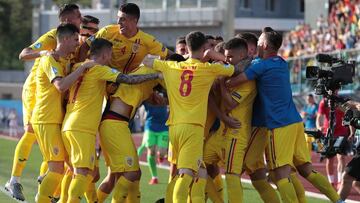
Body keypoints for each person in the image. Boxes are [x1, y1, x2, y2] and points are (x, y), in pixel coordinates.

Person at [226, 27, 343, 203]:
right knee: (305, 169)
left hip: (278, 125)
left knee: (279, 173)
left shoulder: (260, 65)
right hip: (296, 122)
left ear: (264, 45)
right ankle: (337, 200)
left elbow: (235, 82)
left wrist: (220, 80)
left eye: (258, 44)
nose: (256, 47)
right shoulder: (281, 62)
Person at [143, 31, 242, 203]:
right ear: (204, 47)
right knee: (186, 175)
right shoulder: (208, 69)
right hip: (193, 129)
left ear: (187, 47)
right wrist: (213, 55)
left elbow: (146, 60)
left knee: (200, 173)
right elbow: (234, 69)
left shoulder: (171, 66)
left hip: (174, 128)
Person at [60, 38, 161, 203]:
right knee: (82, 173)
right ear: (106, 54)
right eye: (111, 54)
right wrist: (155, 75)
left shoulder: (78, 67)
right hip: (82, 126)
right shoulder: (99, 68)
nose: (111, 58)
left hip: (69, 124)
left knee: (86, 173)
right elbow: (128, 80)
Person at [5, 4, 82, 201]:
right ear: (65, 20)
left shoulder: (76, 40)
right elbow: (24, 54)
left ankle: (47, 184)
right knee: (32, 131)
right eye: (77, 17)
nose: (80, 20)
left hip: (52, 97)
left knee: (59, 154)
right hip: (36, 90)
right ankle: (14, 180)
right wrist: (43, 53)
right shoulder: (51, 37)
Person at [31, 23, 95, 203]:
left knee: (73, 167)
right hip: (46, 119)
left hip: (58, 119)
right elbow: (60, 86)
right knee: (56, 169)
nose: (77, 44)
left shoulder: (66, 59)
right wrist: (82, 68)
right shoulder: (49, 59)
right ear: (65, 39)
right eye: (75, 40)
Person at [203, 37, 256, 203]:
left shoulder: (248, 81)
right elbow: (210, 97)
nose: (227, 60)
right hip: (221, 132)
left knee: (232, 175)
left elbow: (231, 103)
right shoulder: (227, 73)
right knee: (198, 165)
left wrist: (222, 84)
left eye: (231, 57)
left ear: (242, 56)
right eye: (226, 56)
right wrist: (222, 116)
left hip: (236, 134)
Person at [78, 3, 171, 73]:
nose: (118, 22)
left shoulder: (147, 40)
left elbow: (168, 55)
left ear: (134, 20)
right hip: (104, 80)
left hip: (128, 84)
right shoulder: (107, 31)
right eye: (118, 18)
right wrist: (82, 72)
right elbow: (84, 47)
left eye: (123, 19)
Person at [317, 92, 351, 188]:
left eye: (335, 89)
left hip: (341, 133)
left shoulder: (342, 101)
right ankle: (331, 182)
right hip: (329, 133)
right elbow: (319, 116)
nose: (333, 91)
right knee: (330, 159)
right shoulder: (324, 102)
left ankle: (340, 181)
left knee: (341, 157)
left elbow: (347, 113)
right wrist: (318, 126)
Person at [137, 96, 169, 185]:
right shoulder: (147, 99)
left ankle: (161, 156)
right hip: (150, 127)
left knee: (161, 153)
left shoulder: (166, 98)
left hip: (163, 128)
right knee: (151, 152)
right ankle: (154, 177)